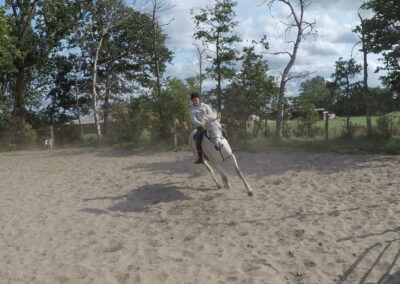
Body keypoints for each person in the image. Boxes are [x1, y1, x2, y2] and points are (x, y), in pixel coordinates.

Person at [189, 92, 213, 164]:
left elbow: (210, 113)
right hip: (200, 127)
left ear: (199, 99)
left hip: (209, 124)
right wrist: (201, 124)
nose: (195, 101)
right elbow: (193, 120)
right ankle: (200, 158)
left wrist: (210, 121)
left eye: (196, 100)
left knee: (219, 130)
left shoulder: (205, 106)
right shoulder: (193, 110)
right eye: (193, 100)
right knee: (198, 139)